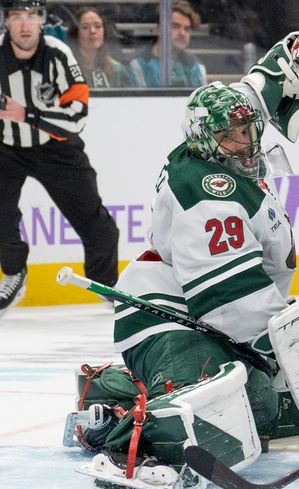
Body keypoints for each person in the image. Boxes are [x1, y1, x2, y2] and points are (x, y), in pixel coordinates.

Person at [72, 29, 299, 489]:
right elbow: (229, 299)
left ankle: (116, 388)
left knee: (263, 406)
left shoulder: (219, 136)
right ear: (207, 141)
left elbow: (248, 98)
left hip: (201, 317)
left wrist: (281, 66)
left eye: (249, 131)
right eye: (232, 136)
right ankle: (129, 441)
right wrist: (279, 345)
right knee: (237, 403)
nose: (246, 142)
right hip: (170, 319)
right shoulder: (209, 193)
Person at [0, 0, 119, 317]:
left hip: (57, 148)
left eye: (30, 16)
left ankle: (105, 283)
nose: (24, 25)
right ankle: (14, 272)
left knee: (97, 224)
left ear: (41, 20)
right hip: (5, 147)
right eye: (16, 17)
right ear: (6, 22)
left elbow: (77, 117)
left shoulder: (58, 54)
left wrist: (27, 114)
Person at [128, 0, 207, 88]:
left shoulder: (195, 66)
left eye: (187, 29)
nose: (182, 33)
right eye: (175, 26)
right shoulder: (136, 64)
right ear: (158, 29)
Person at [67, 7, 133, 88]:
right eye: (85, 27)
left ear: (104, 32)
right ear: (76, 34)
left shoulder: (117, 70)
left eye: (98, 26)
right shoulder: (66, 69)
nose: (93, 31)